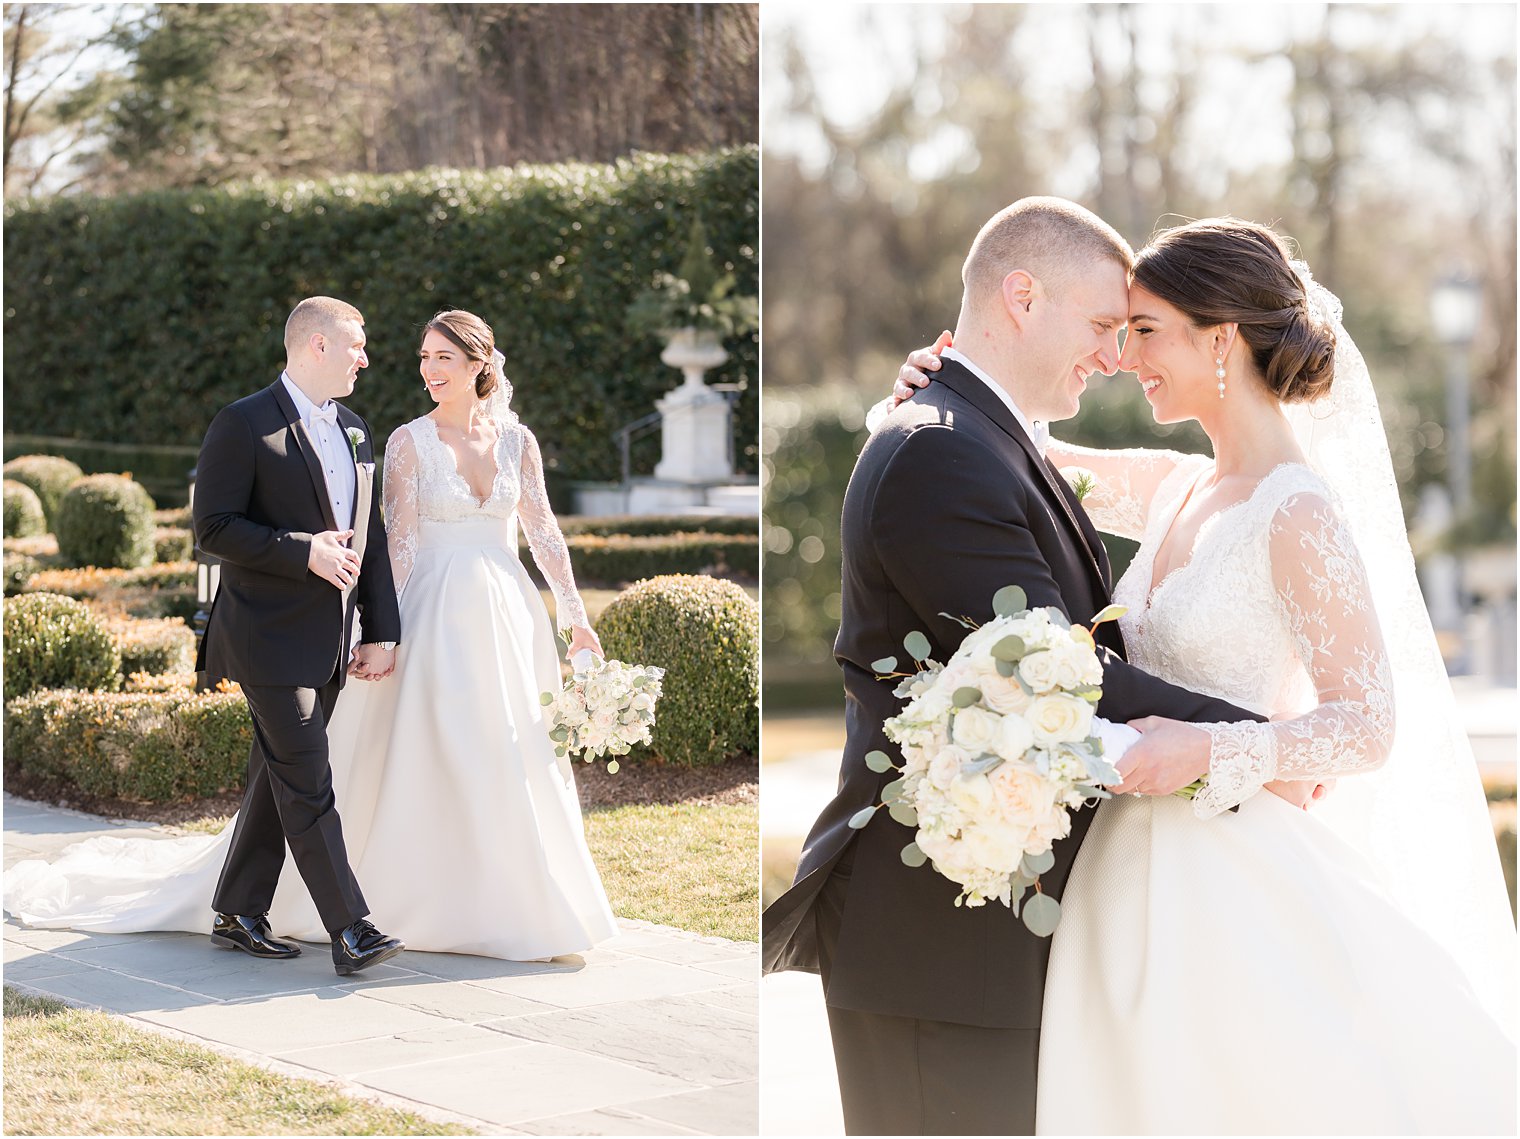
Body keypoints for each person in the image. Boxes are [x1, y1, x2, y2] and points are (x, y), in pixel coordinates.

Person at [890, 217, 1516, 1133]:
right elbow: (1005, 453)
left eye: (1144, 331)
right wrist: (927, 388)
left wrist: (1208, 746)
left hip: (1233, 883)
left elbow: (1370, 721)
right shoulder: (1178, 485)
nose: (1119, 356)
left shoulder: (1296, 511)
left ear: (1219, 337)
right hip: (1119, 878)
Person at [761, 197, 1275, 1136]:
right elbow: (1061, 669)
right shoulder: (939, 454)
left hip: (999, 937)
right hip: (938, 941)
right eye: (1102, 325)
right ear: (1022, 295)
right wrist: (1259, 742)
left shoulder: (988, 439)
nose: (1114, 355)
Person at [6, 307, 618, 964]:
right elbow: (352, 542)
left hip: (498, 618)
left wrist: (572, 615)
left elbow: (501, 535)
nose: (416, 368)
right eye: (418, 356)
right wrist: (368, 616)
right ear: (320, 345)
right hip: (357, 625)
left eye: (441, 357)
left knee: (371, 764)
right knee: (317, 772)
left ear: (480, 363)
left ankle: (247, 904)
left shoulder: (381, 431)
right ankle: (353, 926)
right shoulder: (292, 427)